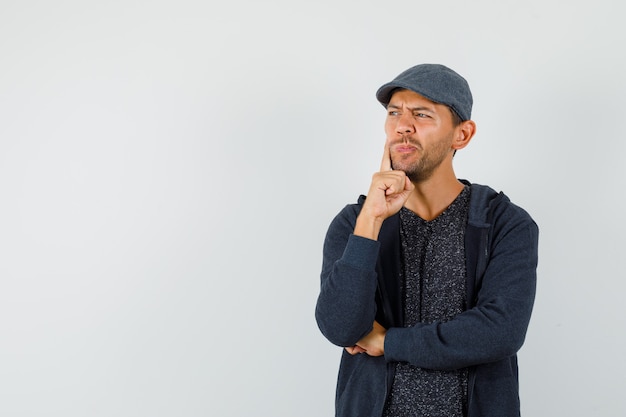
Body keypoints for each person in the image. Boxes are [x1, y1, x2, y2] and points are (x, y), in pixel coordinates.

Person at [315, 63, 539, 417]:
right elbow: (341, 326)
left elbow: (500, 331)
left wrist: (388, 342)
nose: (403, 125)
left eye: (422, 114)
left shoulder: (503, 222)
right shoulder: (355, 223)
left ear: (461, 135)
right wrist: (371, 220)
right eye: (394, 113)